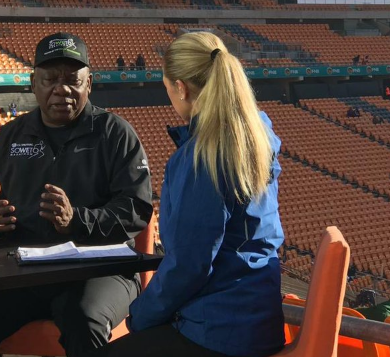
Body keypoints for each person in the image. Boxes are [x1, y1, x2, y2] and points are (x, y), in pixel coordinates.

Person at [0, 32, 152, 357]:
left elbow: (136, 210)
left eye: (72, 80)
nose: (61, 89)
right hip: (24, 275)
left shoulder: (115, 134)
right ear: (33, 83)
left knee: (84, 320)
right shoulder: (10, 135)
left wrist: (77, 220)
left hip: (100, 273)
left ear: (89, 83)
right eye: (50, 79)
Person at [84, 32, 284, 357]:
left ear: (181, 88)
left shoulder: (201, 157)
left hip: (218, 332)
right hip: (257, 323)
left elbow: (189, 265)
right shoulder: (258, 133)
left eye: (167, 90)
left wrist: (138, 317)